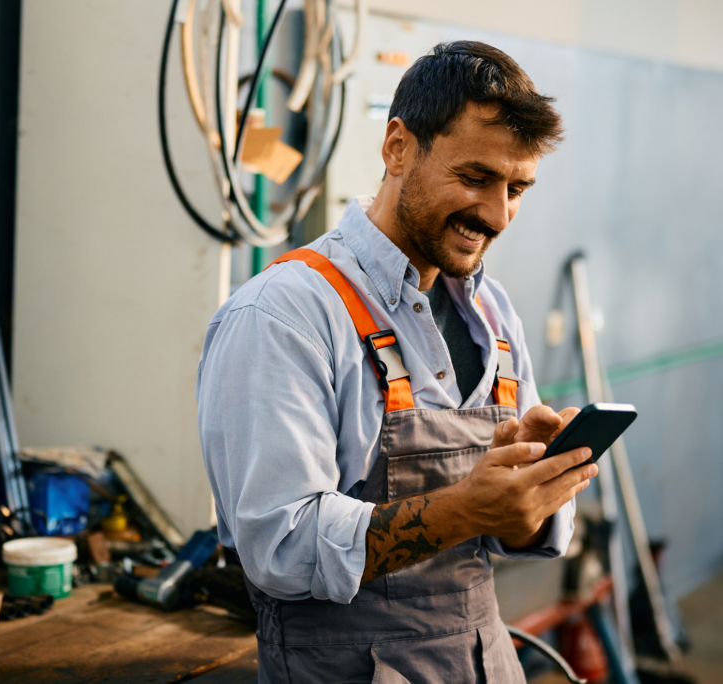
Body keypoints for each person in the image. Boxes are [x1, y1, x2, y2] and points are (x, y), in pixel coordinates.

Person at [197, 41, 597, 683]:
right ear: (397, 148)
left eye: (516, 187)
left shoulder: (492, 313)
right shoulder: (284, 314)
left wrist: (532, 490)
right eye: (474, 178)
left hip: (484, 663)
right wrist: (468, 507)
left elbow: (507, 536)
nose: (497, 214)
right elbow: (280, 548)